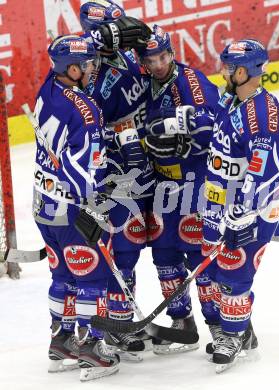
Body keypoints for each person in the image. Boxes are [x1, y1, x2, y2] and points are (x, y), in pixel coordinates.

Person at [33, 35, 120, 381]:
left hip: (43, 201)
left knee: (63, 275)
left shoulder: (47, 88)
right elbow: (82, 170)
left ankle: (62, 338)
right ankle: (91, 346)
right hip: (74, 208)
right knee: (94, 277)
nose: (91, 69)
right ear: (71, 69)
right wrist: (95, 205)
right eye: (85, 65)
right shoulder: (88, 111)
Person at [202, 39, 279, 371]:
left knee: (236, 270)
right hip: (218, 200)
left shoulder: (263, 113)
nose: (222, 71)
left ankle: (234, 335)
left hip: (252, 207)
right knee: (213, 266)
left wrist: (244, 211)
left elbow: (262, 167)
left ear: (243, 71)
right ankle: (243, 329)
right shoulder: (231, 99)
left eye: (227, 67)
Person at [136, 25, 221, 354]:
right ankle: (181, 321)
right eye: (151, 59)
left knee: (200, 256)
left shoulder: (191, 81)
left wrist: (175, 125)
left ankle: (220, 324)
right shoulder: (145, 85)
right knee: (165, 254)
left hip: (194, 180)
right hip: (162, 181)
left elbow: (212, 120)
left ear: (172, 54)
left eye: (163, 56)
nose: (158, 64)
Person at [79, 0, 153, 358]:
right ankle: (107, 327)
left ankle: (120, 320)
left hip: (144, 161)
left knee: (135, 249)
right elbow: (89, 128)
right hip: (114, 173)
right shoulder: (86, 71)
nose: (124, 30)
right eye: (115, 26)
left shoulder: (123, 55)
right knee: (115, 253)